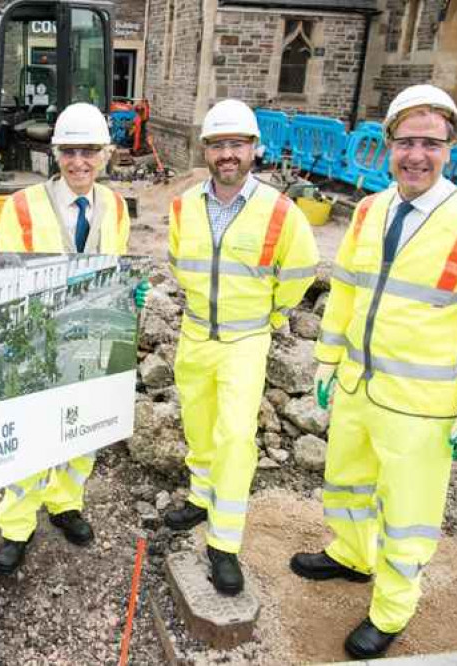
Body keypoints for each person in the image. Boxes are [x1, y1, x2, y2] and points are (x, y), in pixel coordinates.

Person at [291, 84, 457, 660]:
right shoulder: (369, 210)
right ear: (387, 145)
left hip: (421, 406)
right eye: (405, 141)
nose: (416, 154)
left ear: (451, 151)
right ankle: (350, 554)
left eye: (430, 143)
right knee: (346, 483)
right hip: (358, 387)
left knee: (408, 514)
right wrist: (327, 358)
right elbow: (345, 291)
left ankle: (391, 608)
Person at [164, 99, 318, 595]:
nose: (227, 154)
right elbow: (176, 260)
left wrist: (269, 315)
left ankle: (224, 542)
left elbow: (298, 275)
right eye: (218, 145)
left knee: (234, 437)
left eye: (237, 144)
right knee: (199, 424)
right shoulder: (185, 205)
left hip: (245, 340)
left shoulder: (279, 210)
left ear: (254, 149)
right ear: (205, 150)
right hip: (194, 334)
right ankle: (199, 495)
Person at [0, 102, 133, 575]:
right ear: (55, 154)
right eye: (70, 152)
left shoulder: (113, 205)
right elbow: (4, 277)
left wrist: (131, 290)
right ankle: (16, 526)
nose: (79, 163)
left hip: (91, 340)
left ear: (106, 154)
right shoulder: (22, 208)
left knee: (81, 431)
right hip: (38, 341)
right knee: (31, 437)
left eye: (89, 152)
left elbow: (117, 264)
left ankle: (65, 502)